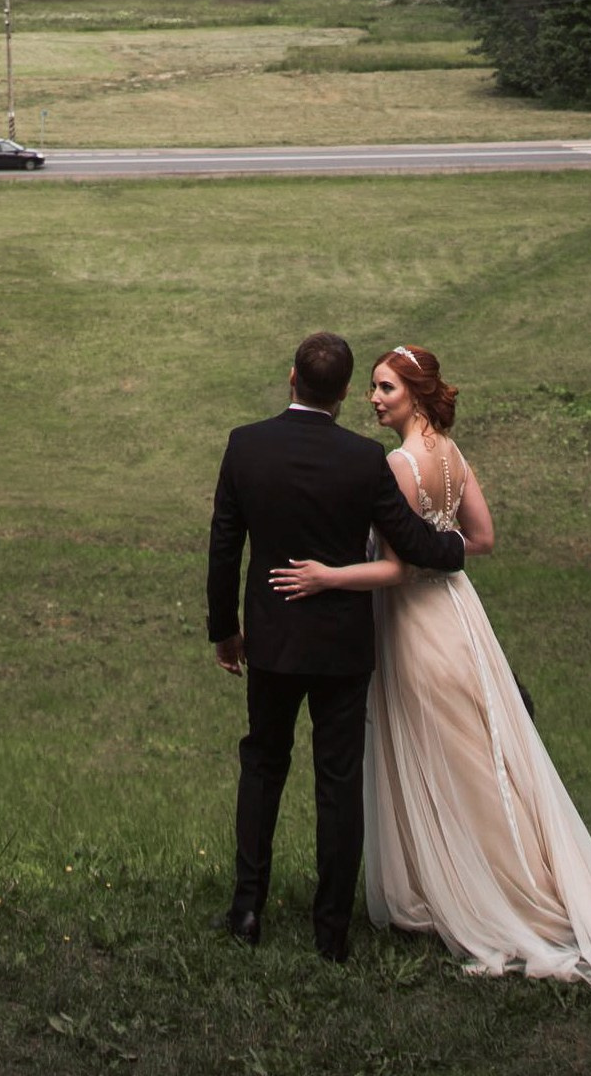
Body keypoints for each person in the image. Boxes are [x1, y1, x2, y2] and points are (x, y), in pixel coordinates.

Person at [269, 342, 591, 985]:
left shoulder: (400, 465)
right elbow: (481, 539)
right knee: (479, 754)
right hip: (460, 613)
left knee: (443, 755)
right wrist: (441, 548)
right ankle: (492, 874)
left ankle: (480, 890)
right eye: (372, 388)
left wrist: (329, 575)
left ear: (416, 393)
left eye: (386, 390)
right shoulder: (453, 456)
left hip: (412, 621)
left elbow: (398, 566)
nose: (374, 400)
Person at [205, 330, 470, 962]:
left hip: (270, 638)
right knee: (338, 781)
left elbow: (225, 543)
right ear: (347, 391)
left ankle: (247, 909)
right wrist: (455, 547)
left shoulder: (247, 445)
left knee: (264, 766)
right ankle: (332, 933)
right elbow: (411, 538)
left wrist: (226, 630)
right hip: (343, 648)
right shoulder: (362, 459)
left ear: (292, 378)